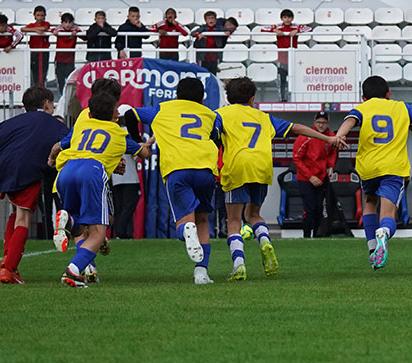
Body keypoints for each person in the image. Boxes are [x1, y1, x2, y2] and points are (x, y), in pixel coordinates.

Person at [216, 76, 340, 280]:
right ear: (252, 99)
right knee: (254, 215)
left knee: (234, 220)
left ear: (228, 98)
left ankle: (239, 265)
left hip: (237, 166)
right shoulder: (264, 117)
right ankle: (264, 240)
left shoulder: (221, 115)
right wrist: (328, 138)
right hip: (262, 166)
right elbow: (297, 129)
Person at [333, 75, 412, 270]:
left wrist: (340, 135)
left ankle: (372, 250)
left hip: (368, 167)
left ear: (363, 97)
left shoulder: (362, 108)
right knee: (388, 213)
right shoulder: (401, 107)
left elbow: (350, 121)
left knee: (369, 202)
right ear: (388, 93)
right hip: (393, 167)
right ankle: (383, 234)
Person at [124, 78, 220, 284]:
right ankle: (201, 273)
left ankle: (186, 231)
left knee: (185, 224)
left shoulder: (163, 109)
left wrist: (136, 141)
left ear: (176, 95)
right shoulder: (210, 114)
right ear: (202, 99)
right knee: (202, 219)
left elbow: (130, 114)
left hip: (178, 168)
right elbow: (216, 137)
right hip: (205, 168)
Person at [51, 90, 150, 287]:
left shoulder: (83, 124)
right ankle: (72, 270)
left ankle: (69, 218)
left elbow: (59, 147)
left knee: (80, 223)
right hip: (92, 172)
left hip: (67, 170)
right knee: (98, 232)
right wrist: (144, 145)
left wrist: (51, 158)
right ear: (115, 114)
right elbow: (144, 153)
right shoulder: (118, 134)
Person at [0, 86, 67, 284]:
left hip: (3, 168)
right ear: (47, 104)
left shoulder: (11, 122)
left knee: (16, 214)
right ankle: (9, 268)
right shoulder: (52, 123)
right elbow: (70, 143)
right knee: (24, 217)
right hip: (27, 169)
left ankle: (7, 259)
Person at [293, 111, 338, 239]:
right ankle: (306, 236)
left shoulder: (330, 136)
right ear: (314, 123)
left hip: (321, 178)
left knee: (319, 209)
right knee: (310, 209)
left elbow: (332, 152)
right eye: (318, 122)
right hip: (306, 179)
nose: (321, 125)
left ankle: (317, 236)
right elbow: (297, 158)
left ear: (328, 123)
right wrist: (310, 176)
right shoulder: (306, 136)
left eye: (324, 123)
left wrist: (331, 166)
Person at [262, 9, 310, 102]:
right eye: (285, 17)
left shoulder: (296, 26)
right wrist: (275, 30)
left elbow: (309, 28)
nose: (287, 19)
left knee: (295, 80)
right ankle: (282, 99)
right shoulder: (278, 26)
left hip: (293, 58)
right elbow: (263, 28)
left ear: (292, 18)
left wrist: (297, 30)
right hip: (282, 58)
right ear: (282, 18)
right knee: (282, 80)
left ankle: (295, 99)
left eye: (289, 17)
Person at [20, 5, 53, 88]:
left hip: (44, 52)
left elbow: (44, 28)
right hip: (34, 52)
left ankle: (42, 87)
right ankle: (35, 88)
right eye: (38, 15)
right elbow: (22, 29)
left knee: (43, 72)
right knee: (34, 72)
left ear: (45, 16)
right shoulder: (32, 25)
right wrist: (35, 30)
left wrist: (35, 29)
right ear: (34, 16)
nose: (40, 17)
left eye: (42, 15)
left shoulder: (46, 23)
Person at [53, 13, 81, 87]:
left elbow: (84, 36)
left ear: (73, 23)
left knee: (70, 80)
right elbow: (51, 30)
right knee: (60, 80)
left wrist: (77, 32)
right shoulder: (58, 29)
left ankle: (68, 97)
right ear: (62, 23)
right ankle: (61, 95)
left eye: (70, 22)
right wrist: (53, 32)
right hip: (59, 59)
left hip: (70, 60)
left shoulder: (75, 29)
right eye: (65, 22)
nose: (67, 25)